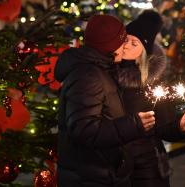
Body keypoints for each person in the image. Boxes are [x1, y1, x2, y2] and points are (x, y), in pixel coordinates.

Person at [54, 14, 156, 187]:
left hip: (102, 173)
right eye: (122, 42)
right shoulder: (88, 76)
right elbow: (84, 129)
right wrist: (132, 125)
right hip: (92, 177)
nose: (125, 47)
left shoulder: (102, 69)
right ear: (110, 46)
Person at [113, 10, 185, 187]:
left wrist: (179, 127)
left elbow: (164, 126)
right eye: (125, 39)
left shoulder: (153, 82)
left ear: (143, 52)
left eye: (134, 43)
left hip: (147, 165)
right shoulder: (105, 74)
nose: (127, 45)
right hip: (114, 164)